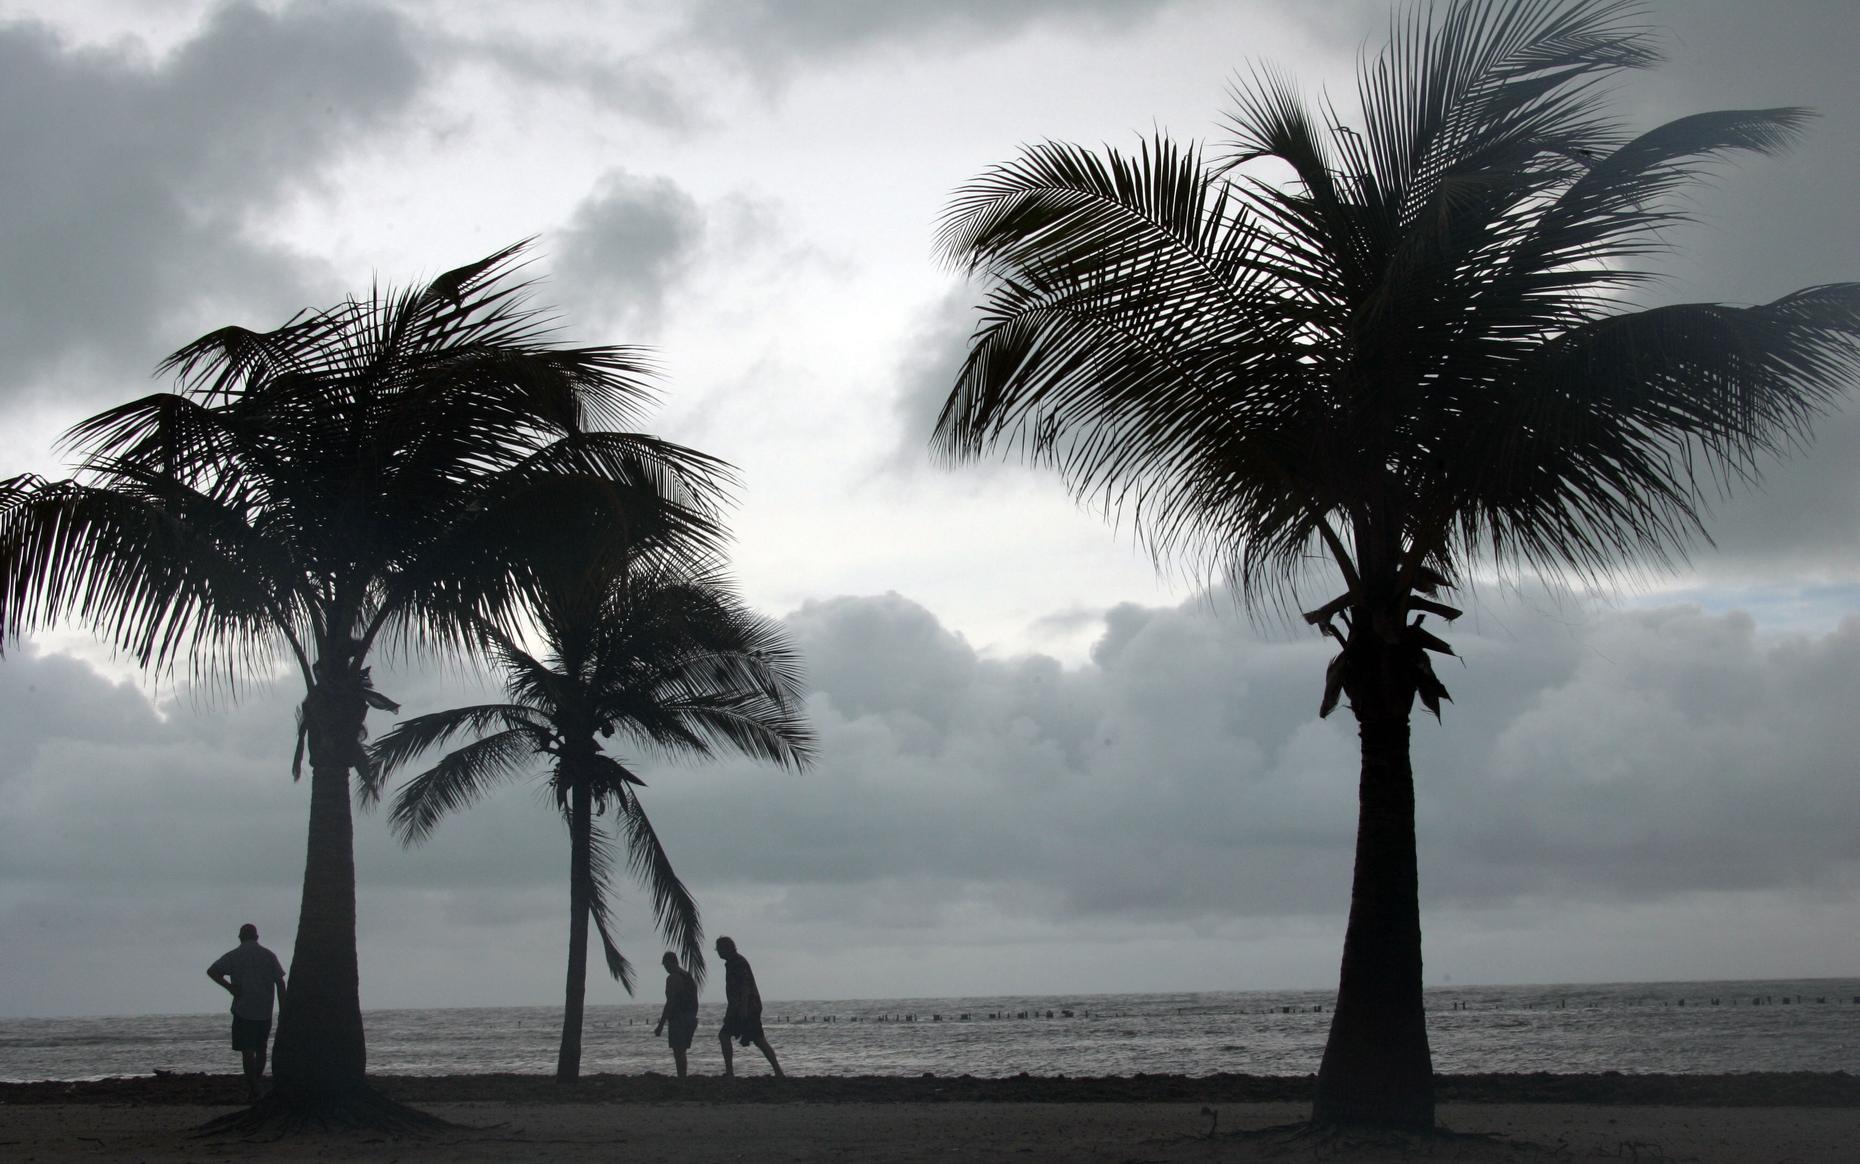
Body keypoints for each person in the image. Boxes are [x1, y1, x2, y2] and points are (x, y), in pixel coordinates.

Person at [206, 923, 287, 1101]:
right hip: (265, 1009)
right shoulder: (268, 955)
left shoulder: (234, 956)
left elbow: (212, 971)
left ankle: (254, 1088)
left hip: (243, 1009)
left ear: (240, 937)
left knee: (247, 1051)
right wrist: (284, 1009)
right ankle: (255, 1087)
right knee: (261, 1049)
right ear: (257, 937)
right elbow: (280, 983)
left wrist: (229, 987)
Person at [715, 935, 782, 1077]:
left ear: (727, 948)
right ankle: (777, 1071)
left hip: (748, 1007)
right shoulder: (732, 963)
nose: (718, 952)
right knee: (752, 1039)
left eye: (720, 949)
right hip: (739, 1007)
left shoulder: (738, 963)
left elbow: (745, 987)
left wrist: (744, 1009)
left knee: (757, 1039)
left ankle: (777, 1071)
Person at [651, 950, 700, 1077]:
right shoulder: (687, 976)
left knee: (678, 1051)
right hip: (690, 1017)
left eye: (666, 965)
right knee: (681, 1050)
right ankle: (682, 1076)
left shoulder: (673, 978)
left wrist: (661, 1025)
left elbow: (670, 1002)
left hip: (679, 1018)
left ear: (672, 963)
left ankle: (681, 1077)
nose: (666, 968)